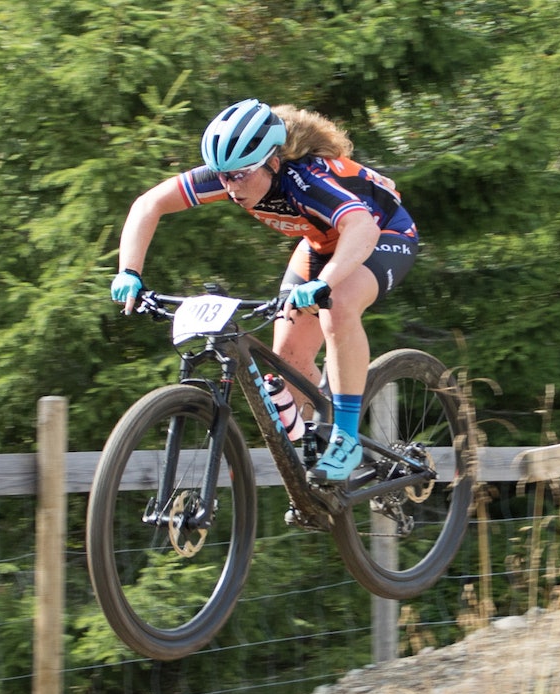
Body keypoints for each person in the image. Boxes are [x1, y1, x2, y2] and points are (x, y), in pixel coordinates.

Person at [110, 99, 419, 482]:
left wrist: (324, 283)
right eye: (223, 176)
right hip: (321, 244)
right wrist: (129, 272)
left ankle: (347, 437)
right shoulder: (233, 172)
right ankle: (316, 456)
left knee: (337, 306)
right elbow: (148, 204)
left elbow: (361, 228)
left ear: (273, 162)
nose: (230, 187)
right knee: (287, 359)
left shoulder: (305, 179)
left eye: (240, 176)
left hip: (383, 235)